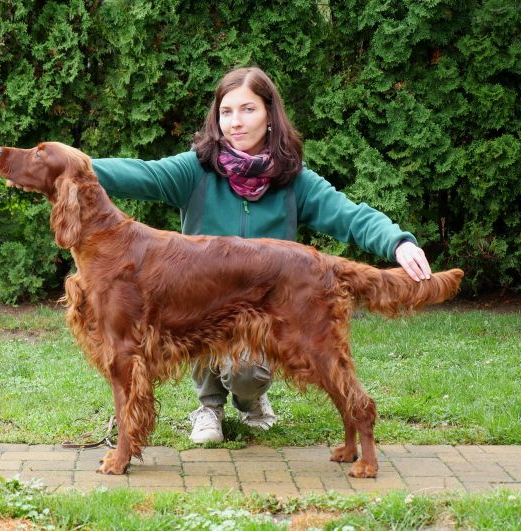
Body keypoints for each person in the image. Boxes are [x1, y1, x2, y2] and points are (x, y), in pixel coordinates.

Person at [90, 66, 432, 444]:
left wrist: (398, 242)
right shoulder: (197, 169)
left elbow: (349, 214)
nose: (235, 123)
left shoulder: (294, 179)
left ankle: (251, 401)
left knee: (246, 371)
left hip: (263, 309)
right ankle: (208, 406)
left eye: (248, 110)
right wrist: (70, 165)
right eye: (226, 112)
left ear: (270, 115)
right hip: (197, 309)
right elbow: (140, 174)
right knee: (188, 304)